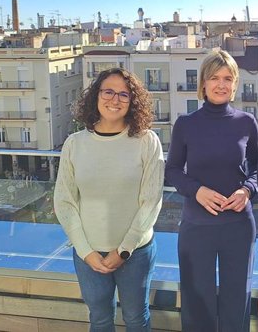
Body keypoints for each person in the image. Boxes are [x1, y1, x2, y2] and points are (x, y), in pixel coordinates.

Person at [54, 68, 164, 332]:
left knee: (136, 318)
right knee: (100, 319)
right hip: (88, 255)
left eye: (124, 94)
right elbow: (65, 202)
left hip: (135, 253)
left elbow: (151, 201)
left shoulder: (147, 141)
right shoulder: (74, 143)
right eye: (109, 92)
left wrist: (123, 250)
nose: (115, 100)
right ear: (96, 96)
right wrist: (86, 251)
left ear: (133, 102)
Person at [165, 50, 258, 332]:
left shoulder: (247, 122)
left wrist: (248, 191)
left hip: (238, 227)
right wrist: (197, 191)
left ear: (235, 84)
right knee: (196, 305)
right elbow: (171, 171)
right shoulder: (186, 124)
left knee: (236, 304)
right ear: (203, 83)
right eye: (214, 78)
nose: (221, 84)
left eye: (227, 78)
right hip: (197, 227)